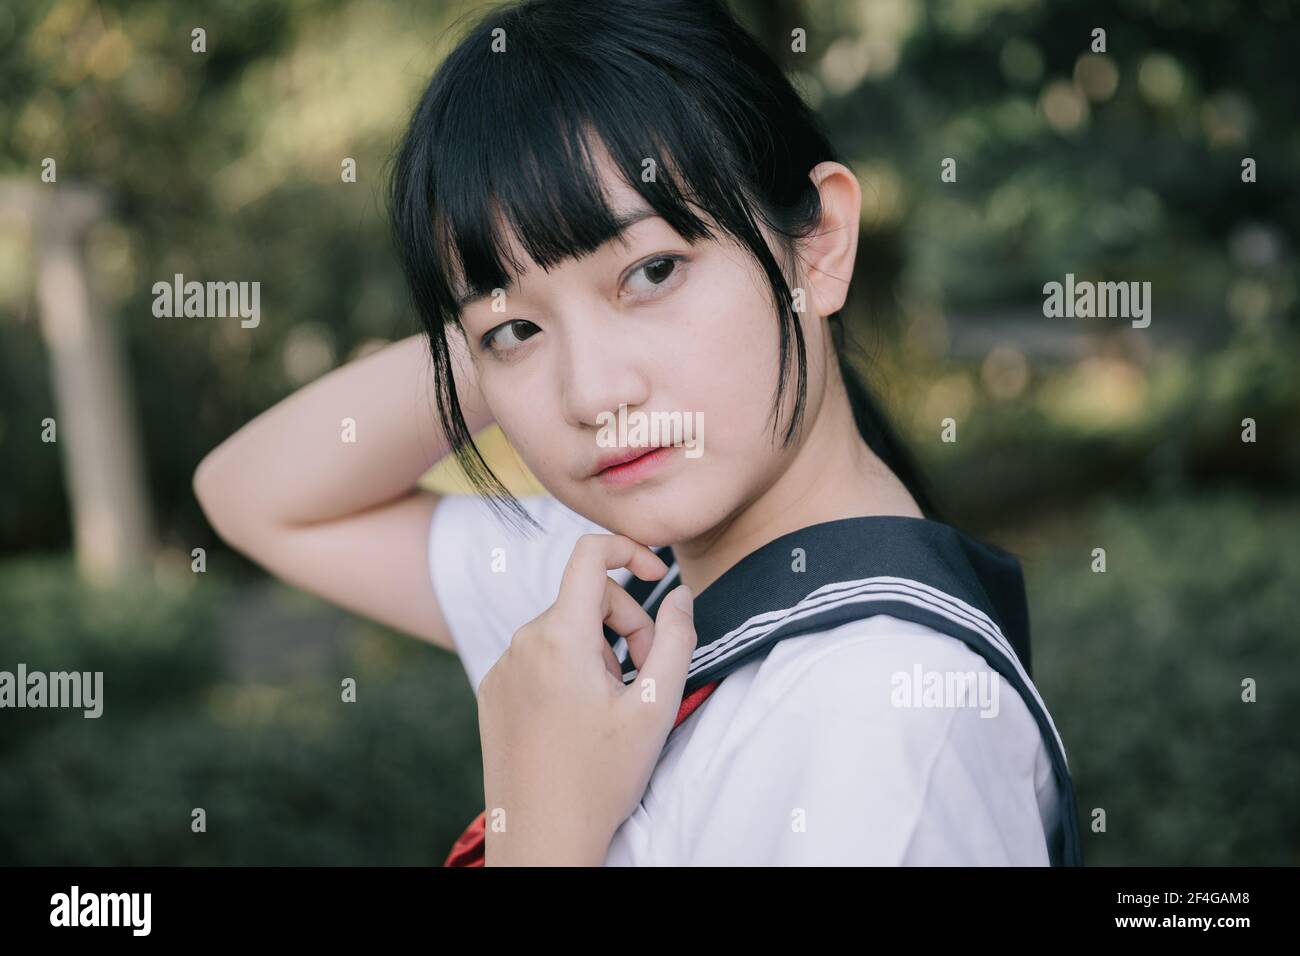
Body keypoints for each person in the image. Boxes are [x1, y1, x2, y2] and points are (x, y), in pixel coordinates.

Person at [195, 0, 1081, 866]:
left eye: (653, 272)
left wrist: (539, 838)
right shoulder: (623, 587)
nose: (591, 393)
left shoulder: (883, 727)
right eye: (515, 337)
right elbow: (252, 495)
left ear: (820, 247)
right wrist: (514, 307)